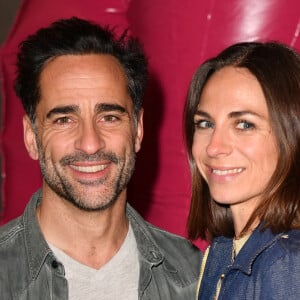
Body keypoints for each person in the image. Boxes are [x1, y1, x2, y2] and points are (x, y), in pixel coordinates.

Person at [0, 17, 202, 299]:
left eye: (109, 117)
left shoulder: (194, 276)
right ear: (31, 136)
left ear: (138, 130)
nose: (91, 143)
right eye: (64, 119)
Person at [184, 41, 300, 299]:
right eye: (205, 123)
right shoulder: (223, 251)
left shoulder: (287, 264)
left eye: (245, 125)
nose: (214, 147)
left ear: (292, 135)